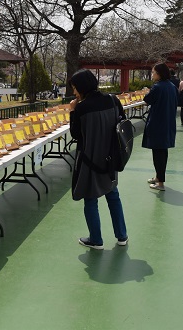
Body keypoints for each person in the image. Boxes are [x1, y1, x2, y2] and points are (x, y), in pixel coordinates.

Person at [69, 69, 128, 250]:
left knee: (90, 198)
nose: (74, 92)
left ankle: (96, 239)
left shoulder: (81, 108)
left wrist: (72, 111)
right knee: (113, 195)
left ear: (81, 87)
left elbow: (76, 134)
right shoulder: (112, 99)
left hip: (90, 159)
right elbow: (122, 123)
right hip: (112, 157)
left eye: (75, 88)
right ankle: (122, 236)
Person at [142, 63, 178, 191]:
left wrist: (147, 91)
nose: (152, 75)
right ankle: (158, 177)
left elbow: (148, 100)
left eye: (153, 72)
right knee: (162, 152)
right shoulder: (172, 86)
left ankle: (160, 183)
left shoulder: (157, 87)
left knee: (158, 154)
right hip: (168, 123)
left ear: (159, 73)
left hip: (157, 124)